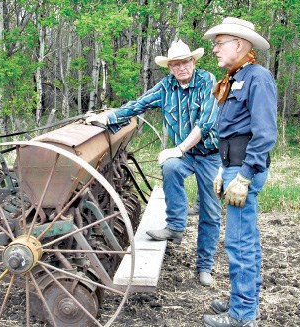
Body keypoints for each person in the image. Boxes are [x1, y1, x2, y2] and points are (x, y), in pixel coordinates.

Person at [86, 39, 222, 287]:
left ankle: (204, 266)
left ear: (193, 62)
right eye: (175, 64)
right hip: (186, 155)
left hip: (211, 153)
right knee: (170, 168)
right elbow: (138, 105)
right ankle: (176, 226)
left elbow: (206, 123)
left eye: (185, 62)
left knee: (210, 211)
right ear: (169, 67)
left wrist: (178, 148)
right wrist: (105, 119)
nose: (181, 68)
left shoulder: (207, 81)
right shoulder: (166, 87)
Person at [201, 17, 278, 327]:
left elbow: (264, 133)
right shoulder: (235, 78)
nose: (215, 49)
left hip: (245, 169)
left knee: (239, 243)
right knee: (244, 241)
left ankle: (243, 316)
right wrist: (223, 169)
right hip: (233, 166)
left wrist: (244, 176)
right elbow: (230, 132)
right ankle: (243, 301)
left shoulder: (258, 78)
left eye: (220, 43)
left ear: (239, 44)